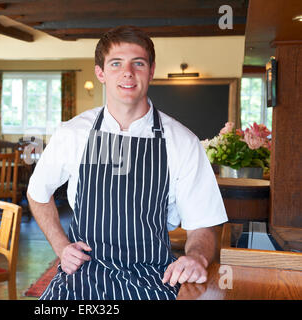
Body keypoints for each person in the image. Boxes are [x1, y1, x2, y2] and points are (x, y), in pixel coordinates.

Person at [27, 25, 228, 300]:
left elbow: (204, 222)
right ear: (100, 73)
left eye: (138, 63)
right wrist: (61, 246)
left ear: (151, 70)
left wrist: (196, 258)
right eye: (116, 63)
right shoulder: (73, 134)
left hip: (153, 279)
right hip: (83, 277)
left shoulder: (182, 142)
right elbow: (37, 193)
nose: (128, 73)